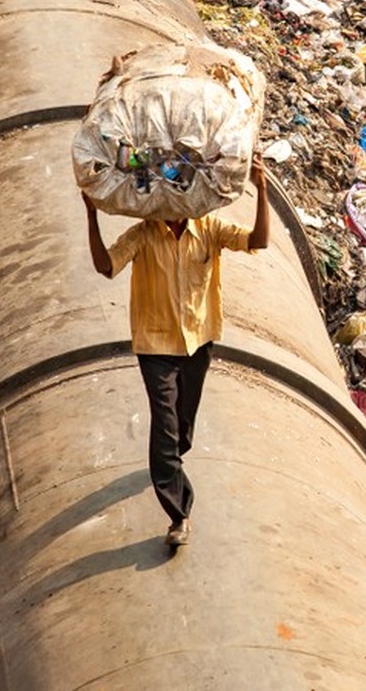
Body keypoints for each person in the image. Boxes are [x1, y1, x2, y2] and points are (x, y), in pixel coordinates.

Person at [83, 160, 269, 548]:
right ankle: (178, 512)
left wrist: (262, 189)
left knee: (184, 421)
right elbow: (106, 267)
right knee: (164, 425)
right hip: (155, 345)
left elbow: (258, 241)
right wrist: (91, 217)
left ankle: (174, 455)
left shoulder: (210, 230)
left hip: (198, 339)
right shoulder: (144, 235)